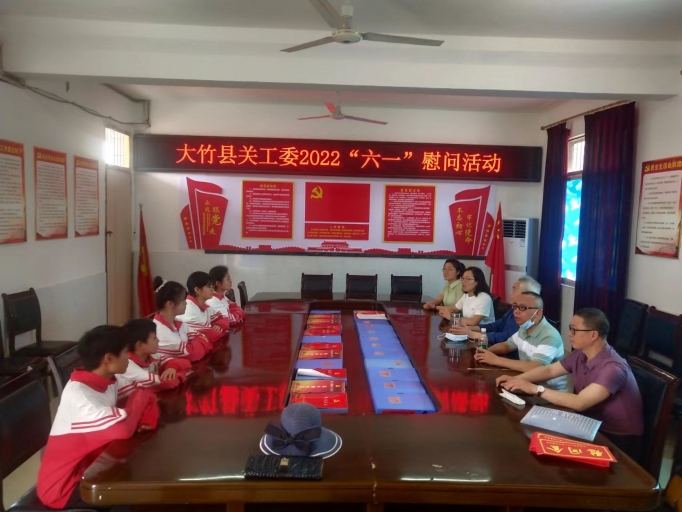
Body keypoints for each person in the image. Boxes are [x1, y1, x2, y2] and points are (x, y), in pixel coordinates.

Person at [36, 326, 159, 510]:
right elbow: (123, 429)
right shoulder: (81, 397)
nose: (129, 357)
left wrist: (146, 418)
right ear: (108, 359)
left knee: (144, 471)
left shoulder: (108, 379)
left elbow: (146, 392)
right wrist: (138, 402)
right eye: (125, 352)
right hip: (65, 488)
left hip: (94, 468)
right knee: (143, 494)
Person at [496, 308, 644, 461]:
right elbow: (549, 370)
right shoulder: (581, 354)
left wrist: (536, 389)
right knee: (531, 438)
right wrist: (517, 379)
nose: (569, 334)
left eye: (574, 330)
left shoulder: (613, 368)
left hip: (616, 439)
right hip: (589, 424)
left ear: (593, 335)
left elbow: (580, 402)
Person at [475, 291, 568, 391]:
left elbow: (535, 367)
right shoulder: (524, 327)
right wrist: (487, 352)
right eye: (515, 306)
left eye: (523, 308)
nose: (516, 311)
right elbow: (507, 345)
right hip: (525, 382)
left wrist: (495, 360)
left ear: (538, 313)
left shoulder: (550, 336)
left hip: (546, 391)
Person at [452, 276, 541, 346]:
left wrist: (474, 334)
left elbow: (506, 337)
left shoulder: (527, 316)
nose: (510, 293)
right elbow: (495, 326)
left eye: (514, 289)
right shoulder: (513, 310)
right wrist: (470, 329)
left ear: (527, 294)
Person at [117, 318, 192, 399]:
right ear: (140, 345)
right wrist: (181, 373)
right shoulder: (127, 365)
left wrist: (173, 368)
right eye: (154, 338)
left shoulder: (152, 356)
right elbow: (168, 383)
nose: (158, 340)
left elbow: (185, 363)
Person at [153, 277, 213, 362]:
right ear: (170, 304)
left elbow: (202, 336)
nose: (186, 302)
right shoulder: (160, 332)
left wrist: (195, 344)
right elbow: (193, 354)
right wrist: (199, 344)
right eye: (182, 300)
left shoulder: (178, 322)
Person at [176, 271, 228, 343]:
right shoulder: (189, 310)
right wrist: (224, 331)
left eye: (212, 286)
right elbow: (211, 336)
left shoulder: (204, 305)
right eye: (209, 286)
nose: (212, 289)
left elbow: (224, 318)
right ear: (197, 290)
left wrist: (220, 325)